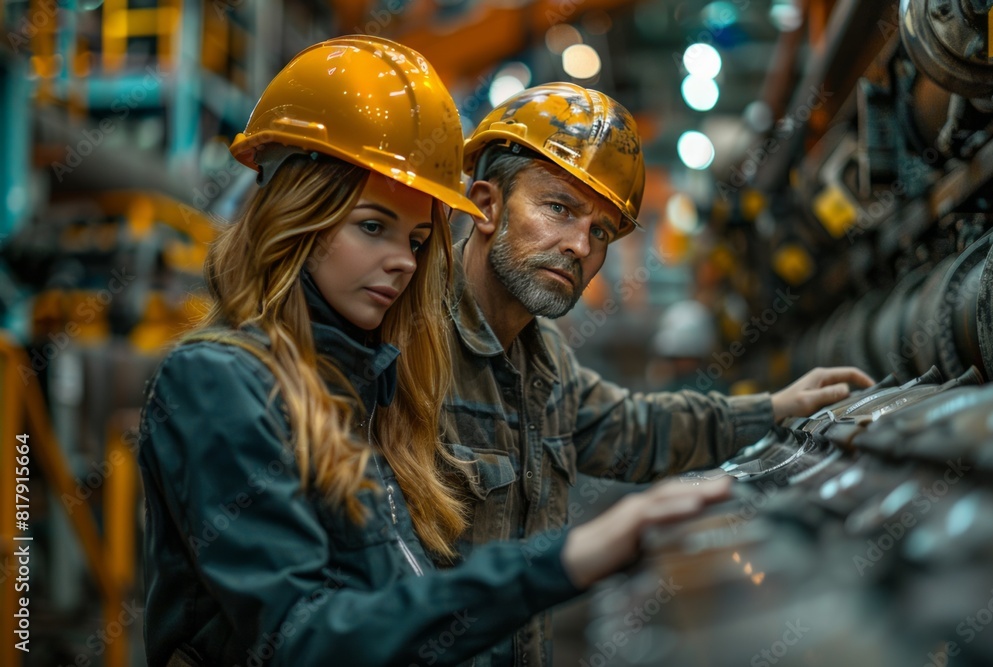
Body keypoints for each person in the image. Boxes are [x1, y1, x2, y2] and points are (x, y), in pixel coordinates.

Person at [137, 37, 734, 667]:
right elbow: (305, 638)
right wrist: (563, 561)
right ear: (297, 214)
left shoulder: (368, 379)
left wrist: (776, 411)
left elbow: (395, 602)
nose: (402, 260)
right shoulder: (217, 381)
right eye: (372, 227)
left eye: (419, 238)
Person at [441, 82, 875, 665]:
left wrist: (775, 408)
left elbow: (634, 428)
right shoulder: (408, 349)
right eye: (559, 209)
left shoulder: (541, 362)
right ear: (487, 205)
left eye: (600, 232)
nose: (579, 246)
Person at [647, 299, 729, 393]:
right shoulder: (669, 389)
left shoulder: (715, 392)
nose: (677, 364)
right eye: (674, 358)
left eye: (683, 357)